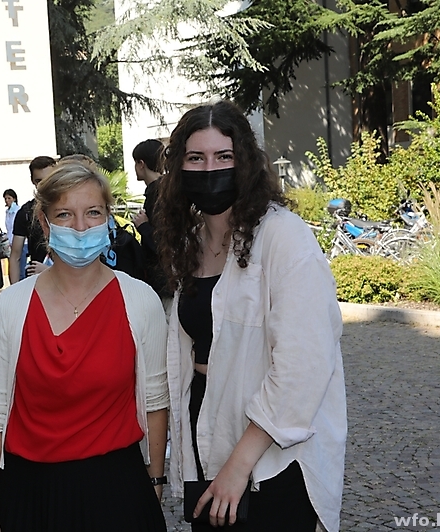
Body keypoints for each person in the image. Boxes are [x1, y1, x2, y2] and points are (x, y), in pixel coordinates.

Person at [154, 101, 346, 532]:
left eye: (223, 156)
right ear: (179, 167)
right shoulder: (192, 242)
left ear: (245, 161)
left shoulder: (283, 237)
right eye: (196, 158)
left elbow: (304, 365)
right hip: (208, 436)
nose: (210, 169)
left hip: (271, 457)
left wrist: (239, 465)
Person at [0, 160, 169, 532]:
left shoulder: (140, 300)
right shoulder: (11, 307)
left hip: (119, 493)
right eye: (65, 214)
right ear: (44, 223)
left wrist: (155, 484)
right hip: (29, 497)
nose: (81, 227)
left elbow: (155, 402)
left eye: (93, 212)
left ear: (108, 219)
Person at [131, 139, 171, 301]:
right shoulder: (167, 189)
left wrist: (143, 226)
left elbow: (163, 243)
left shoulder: (158, 194)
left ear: (141, 164)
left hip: (164, 282)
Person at [9, 156, 55, 284]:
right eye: (39, 181)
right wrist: (14, 290)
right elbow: (15, 256)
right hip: (38, 282)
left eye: (48, 179)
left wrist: (50, 270)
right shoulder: (25, 212)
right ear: (32, 181)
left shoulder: (71, 206)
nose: (44, 185)